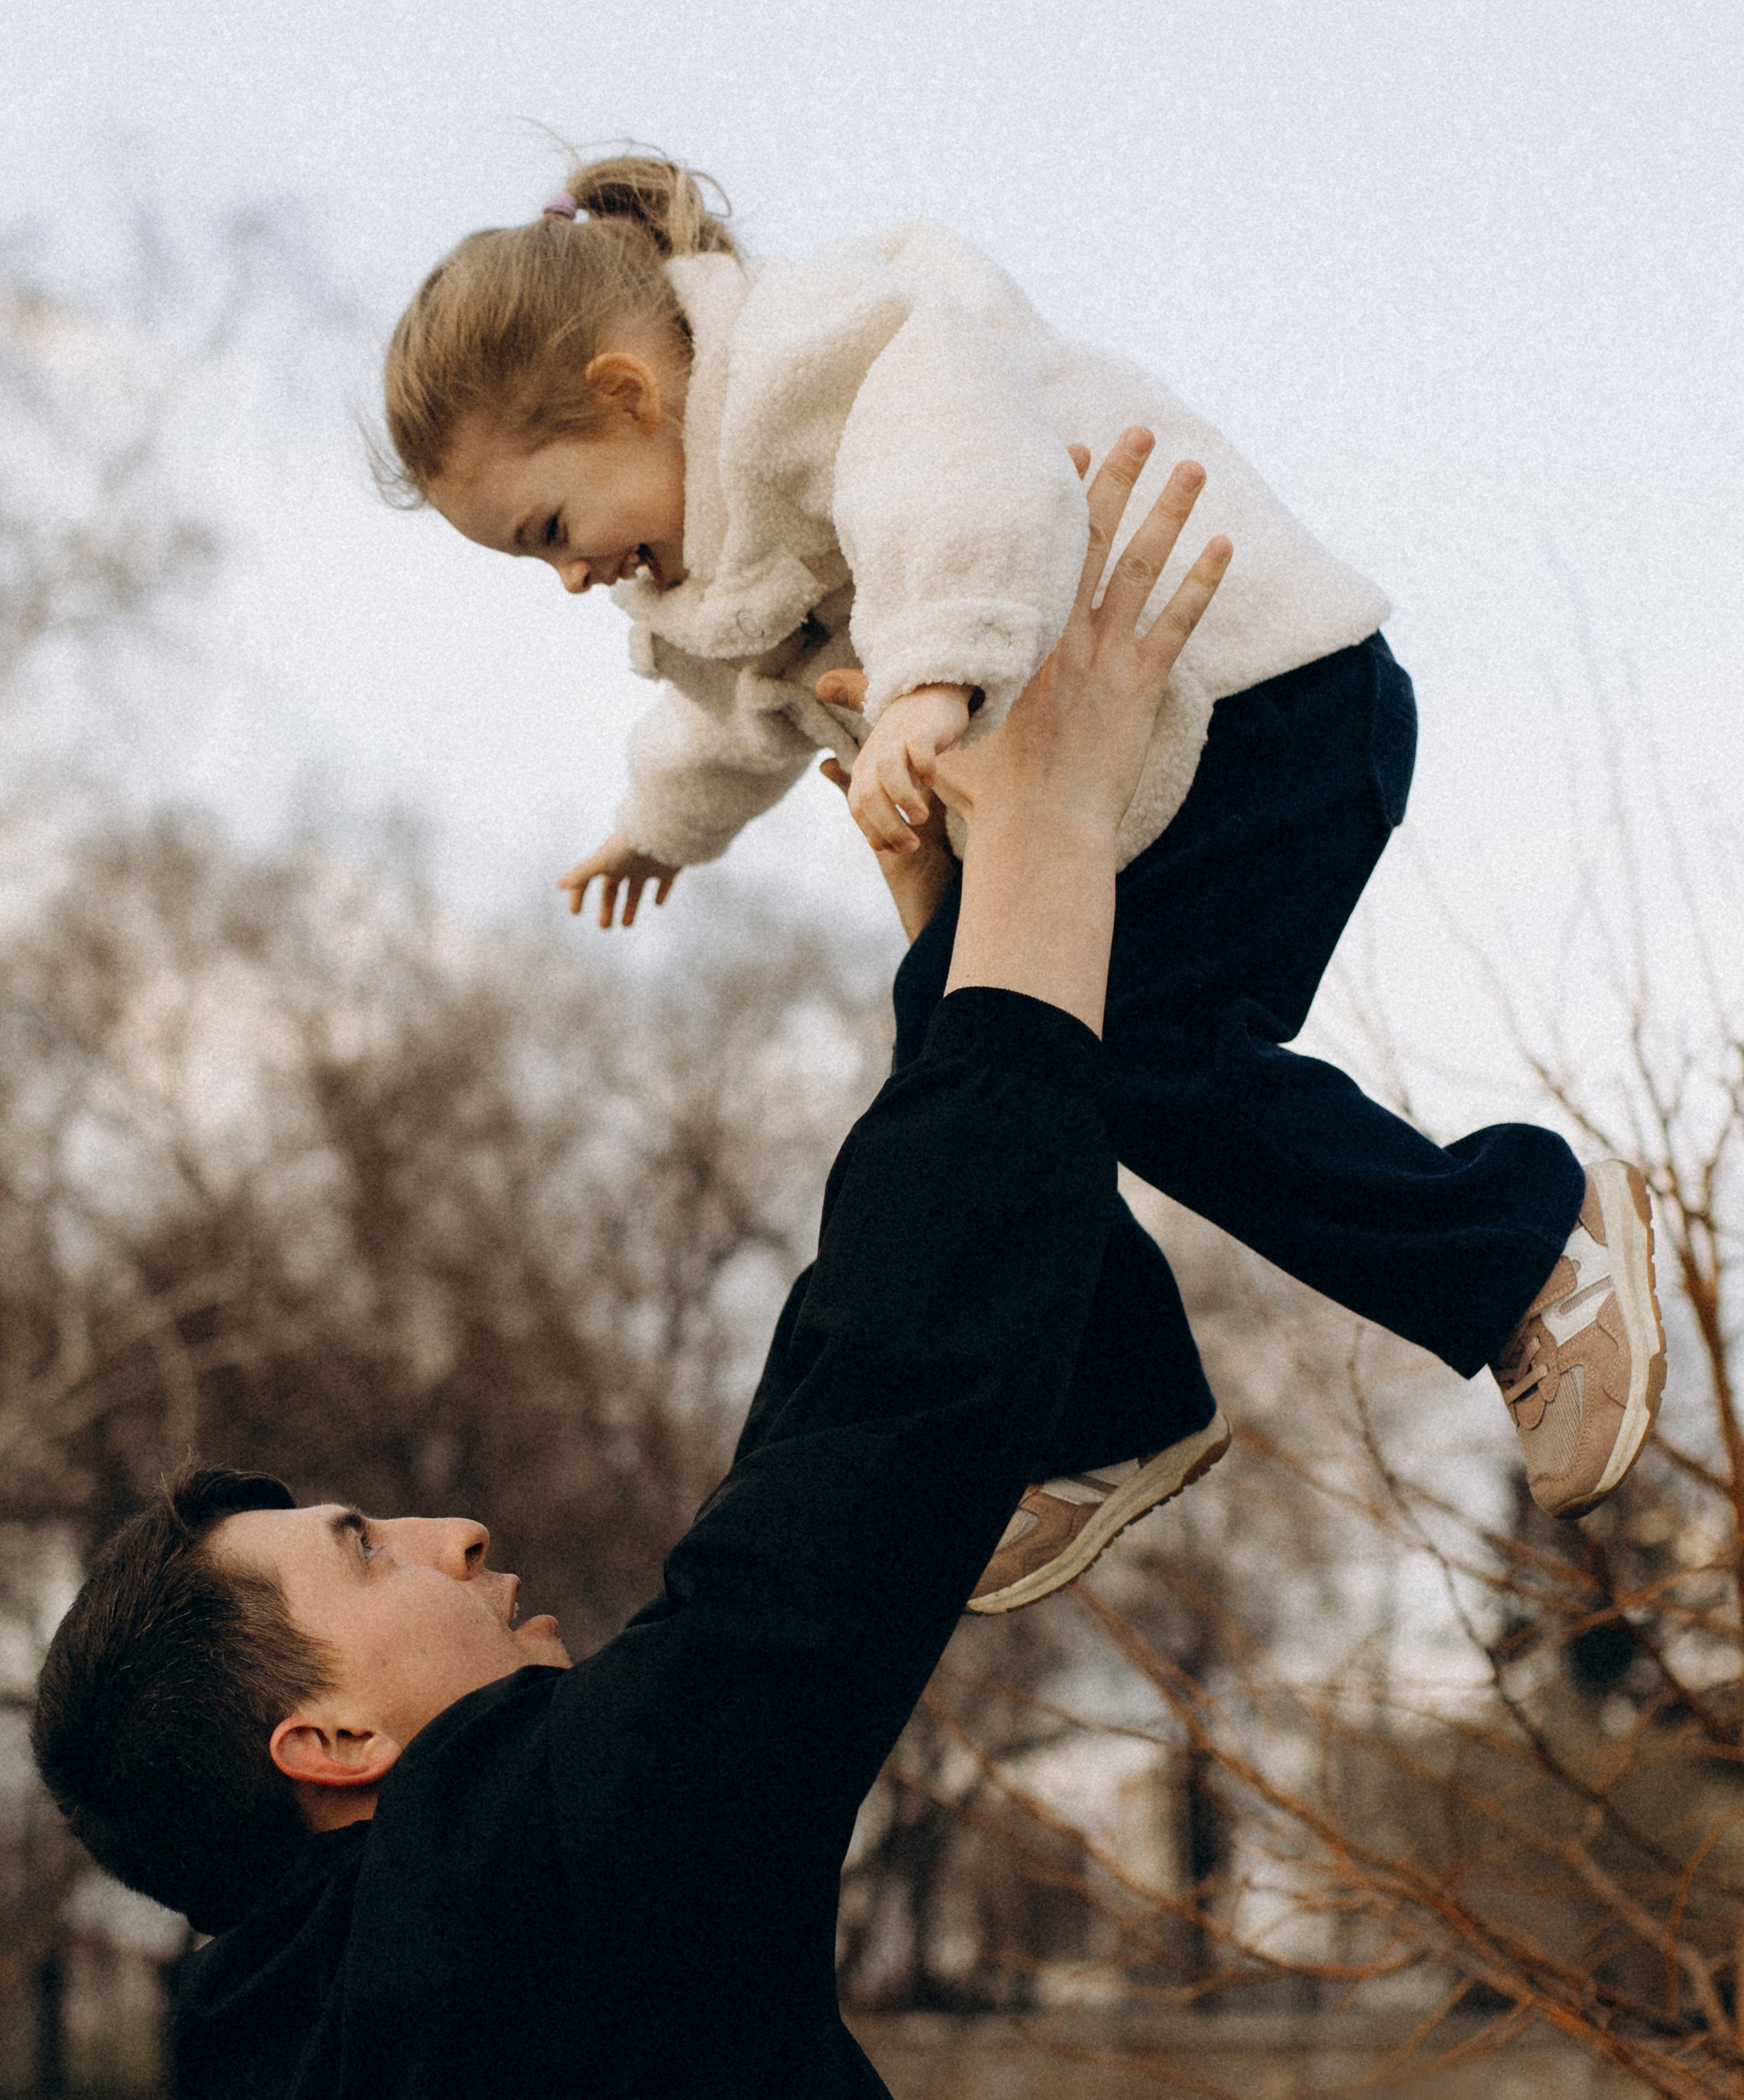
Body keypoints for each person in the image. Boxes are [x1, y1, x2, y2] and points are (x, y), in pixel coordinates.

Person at [33, 435, 1226, 2100]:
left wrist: (957, 971)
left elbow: (795, 1467)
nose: (453, 1532)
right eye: (363, 1551)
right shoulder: (510, 1895)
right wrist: (1045, 863)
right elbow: (851, 1475)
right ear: (321, 1735)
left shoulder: (323, 2065)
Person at [382, 156, 1664, 1597]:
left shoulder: (832, 352)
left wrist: (928, 679)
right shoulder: (702, 565)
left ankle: (1525, 1258)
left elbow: (953, 480)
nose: (566, 576)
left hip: (1266, 712)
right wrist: (651, 822)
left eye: (549, 528)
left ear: (625, 393)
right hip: (1124, 795)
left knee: (1130, 1052)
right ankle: (1110, 1407)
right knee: (965, 1061)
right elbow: (718, 717)